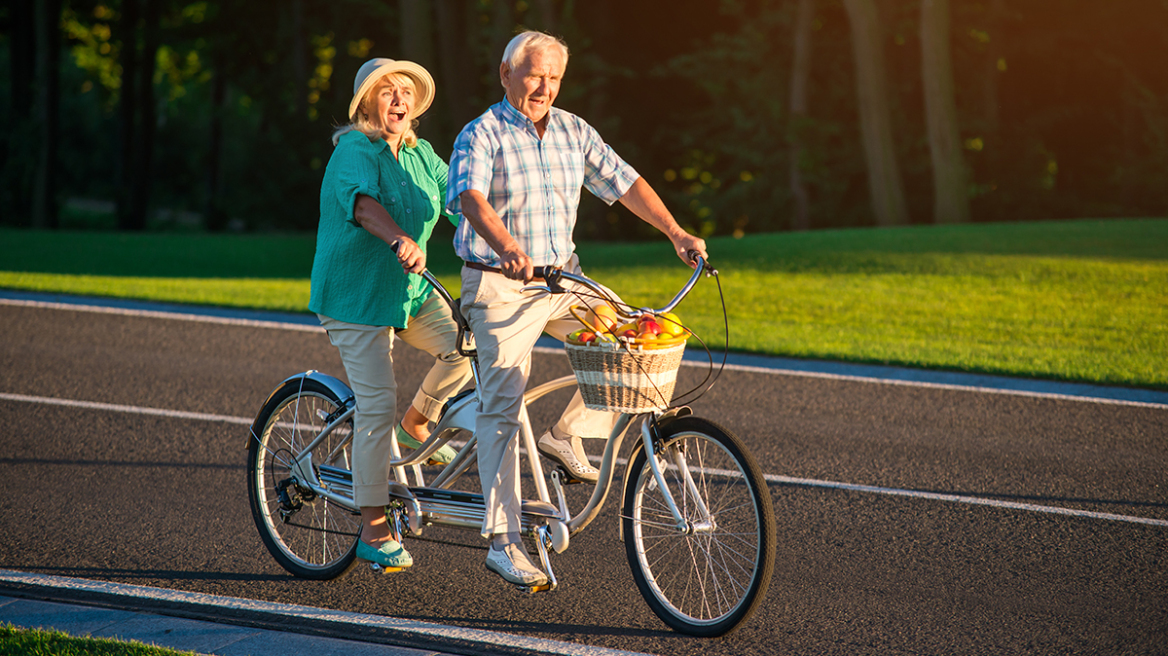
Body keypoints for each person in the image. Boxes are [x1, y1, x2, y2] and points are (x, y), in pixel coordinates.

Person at [445, 31, 708, 586]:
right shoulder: (481, 132)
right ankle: (503, 541)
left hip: (562, 279)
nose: (544, 86)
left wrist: (675, 231)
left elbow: (626, 181)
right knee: (501, 405)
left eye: (554, 77)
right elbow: (469, 199)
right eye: (534, 74)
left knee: (634, 344)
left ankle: (567, 435)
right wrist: (510, 249)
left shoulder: (572, 130)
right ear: (506, 74)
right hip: (500, 284)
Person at [309, 58, 472, 572]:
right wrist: (399, 236)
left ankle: (416, 424)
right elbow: (360, 206)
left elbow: (463, 200)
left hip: (408, 291)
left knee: (465, 347)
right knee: (375, 407)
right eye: (386, 91)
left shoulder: (422, 154)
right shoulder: (354, 149)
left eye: (405, 90)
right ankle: (373, 529)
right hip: (356, 296)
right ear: (366, 104)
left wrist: (506, 233)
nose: (399, 99)